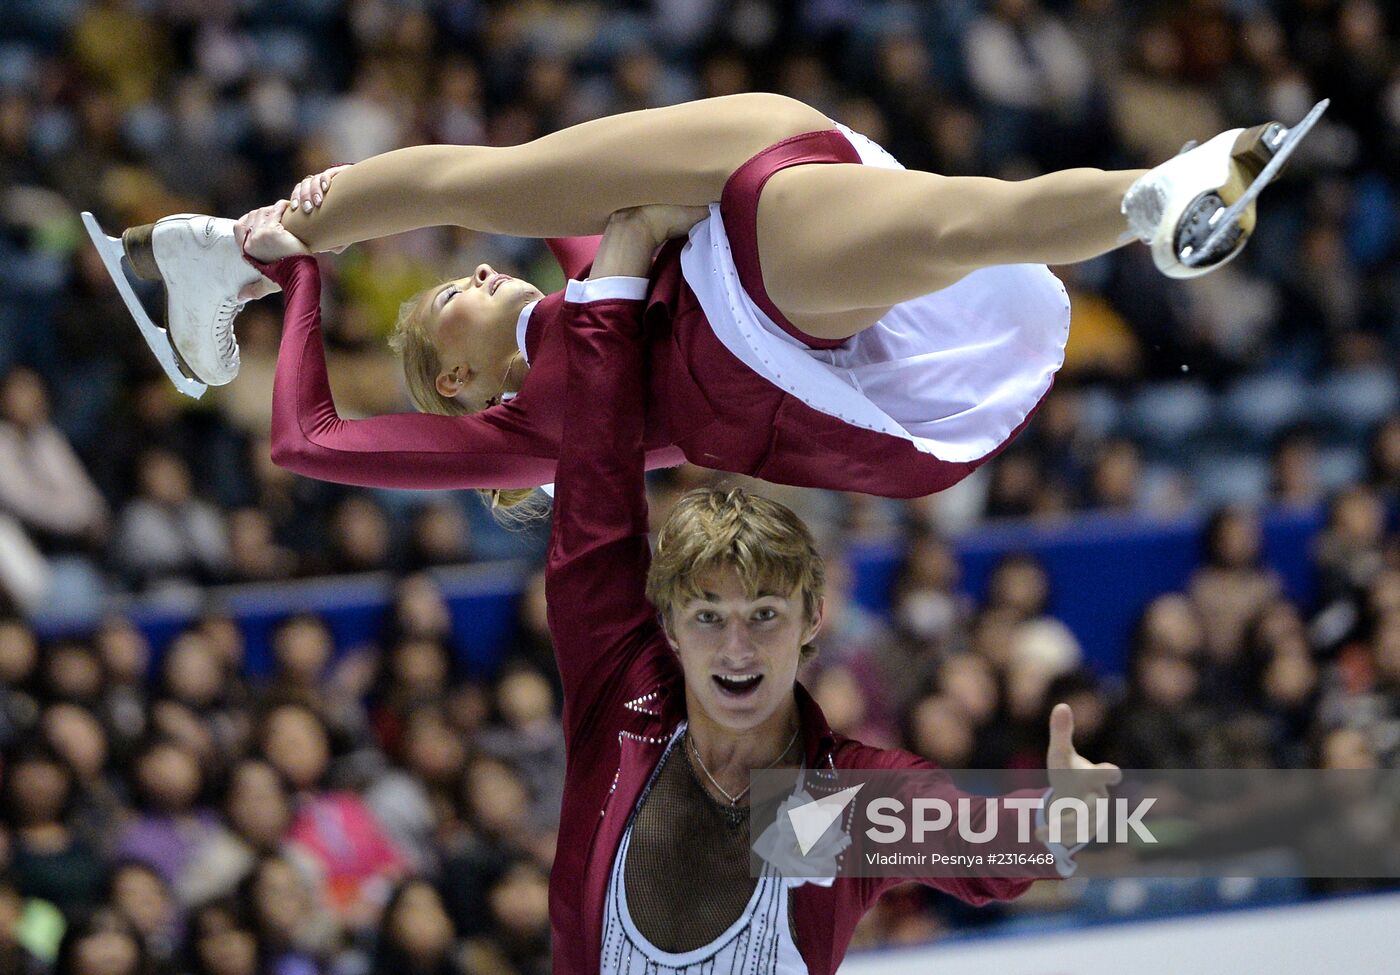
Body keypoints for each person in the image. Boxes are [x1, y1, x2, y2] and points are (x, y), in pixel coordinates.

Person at [253, 203, 1121, 973]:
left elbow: (988, 851)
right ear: (668, 621)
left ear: (813, 620)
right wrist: (606, 283)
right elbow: (594, 497)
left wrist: (1062, 825)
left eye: (763, 616)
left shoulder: (831, 808)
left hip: (857, 373)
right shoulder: (620, 684)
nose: (737, 645)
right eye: (708, 616)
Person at [112, 93, 1295, 506]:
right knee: (959, 227)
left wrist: (617, 254)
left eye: (458, 276)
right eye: (443, 313)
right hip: (768, 330)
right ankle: (1152, 196)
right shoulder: (528, 440)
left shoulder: (576, 266)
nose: (468, 276)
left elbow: (500, 199)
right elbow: (305, 439)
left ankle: (230, 247)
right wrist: (311, 286)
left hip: (754, 220)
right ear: (462, 386)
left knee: (490, 178)